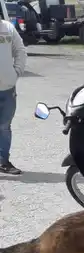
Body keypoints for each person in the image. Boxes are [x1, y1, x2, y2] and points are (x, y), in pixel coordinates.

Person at [0, 13, 27, 175]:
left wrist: (16, 72)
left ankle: (3, 161)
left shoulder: (8, 28)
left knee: (4, 127)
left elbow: (20, 51)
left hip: (8, 89)